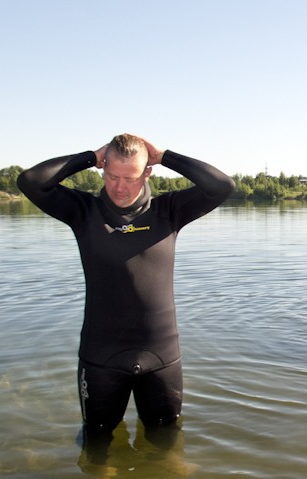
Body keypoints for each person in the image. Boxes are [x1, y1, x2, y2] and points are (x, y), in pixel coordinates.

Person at [17, 134, 235, 442]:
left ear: (147, 173)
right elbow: (30, 181)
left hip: (161, 356)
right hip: (101, 357)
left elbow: (222, 186)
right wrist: (90, 156)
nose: (120, 188)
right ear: (102, 169)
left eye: (130, 178)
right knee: (96, 447)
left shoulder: (169, 211)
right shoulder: (83, 212)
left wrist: (164, 156)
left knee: (167, 446)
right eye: (112, 176)